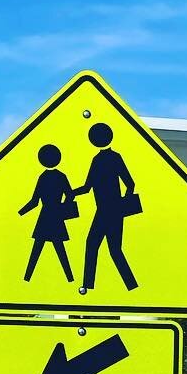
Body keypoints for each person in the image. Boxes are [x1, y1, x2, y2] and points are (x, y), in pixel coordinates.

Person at [73, 122, 139, 292]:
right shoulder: (109, 158)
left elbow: (129, 183)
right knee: (111, 249)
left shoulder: (103, 159)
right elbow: (129, 185)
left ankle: (90, 285)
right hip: (110, 211)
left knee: (98, 246)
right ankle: (130, 285)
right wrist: (123, 203)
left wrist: (124, 204)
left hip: (107, 211)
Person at [18, 143, 77, 283]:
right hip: (56, 216)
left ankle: (27, 278)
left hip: (46, 216)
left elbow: (34, 201)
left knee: (38, 249)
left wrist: (21, 212)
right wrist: (63, 207)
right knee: (58, 249)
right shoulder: (61, 176)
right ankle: (70, 279)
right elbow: (70, 195)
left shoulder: (43, 177)